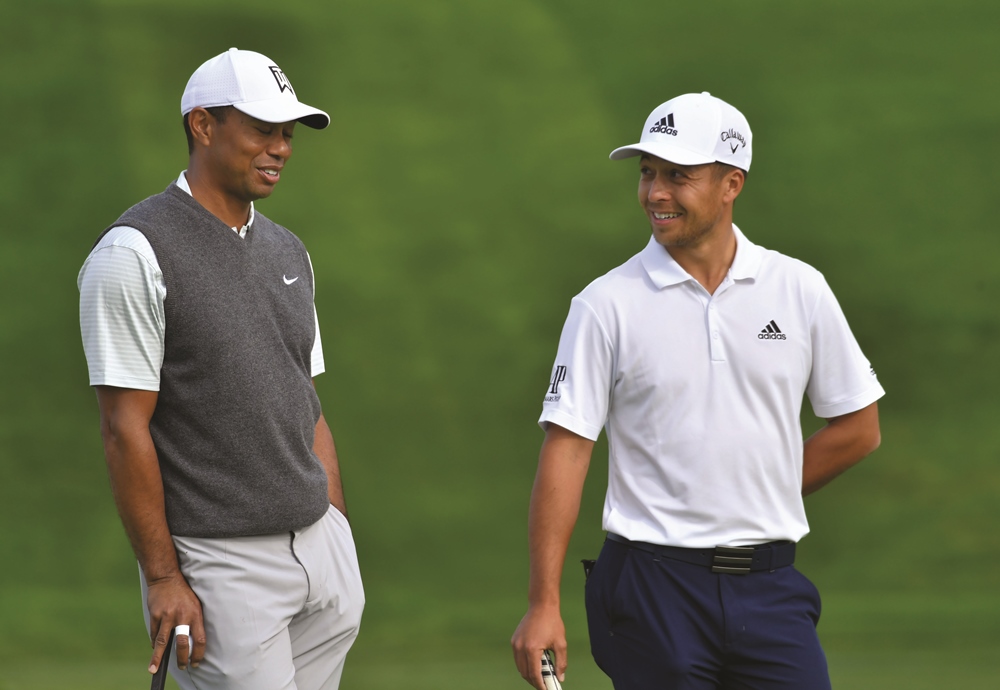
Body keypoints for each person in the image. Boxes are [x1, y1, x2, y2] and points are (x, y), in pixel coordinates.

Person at [511, 92, 884, 689]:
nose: (655, 193)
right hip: (651, 586)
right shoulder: (605, 305)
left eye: (678, 177)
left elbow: (859, 428)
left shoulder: (799, 289)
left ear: (731, 183)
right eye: (648, 174)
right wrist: (543, 602)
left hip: (771, 587)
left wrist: (755, 495)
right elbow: (568, 449)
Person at [78, 48, 364, 690]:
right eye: (262, 129)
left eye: (287, 133)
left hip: (320, 552)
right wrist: (162, 576)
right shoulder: (133, 253)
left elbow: (303, 400)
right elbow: (124, 428)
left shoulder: (289, 250)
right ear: (203, 125)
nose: (281, 148)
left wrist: (336, 529)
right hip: (223, 564)